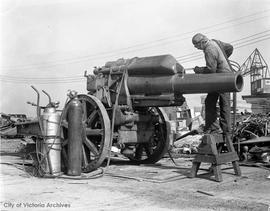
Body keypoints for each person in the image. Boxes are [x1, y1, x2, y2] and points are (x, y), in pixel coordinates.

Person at [192, 33, 233, 135]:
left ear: (202, 42)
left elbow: (211, 70)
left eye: (197, 46)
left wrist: (198, 70)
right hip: (227, 76)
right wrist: (223, 58)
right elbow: (230, 48)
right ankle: (226, 130)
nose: (197, 49)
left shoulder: (209, 50)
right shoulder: (215, 42)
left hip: (220, 78)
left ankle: (214, 128)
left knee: (210, 102)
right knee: (225, 104)